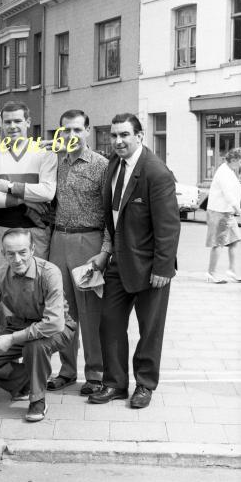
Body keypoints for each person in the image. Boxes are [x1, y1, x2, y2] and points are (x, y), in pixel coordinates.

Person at [88, 113, 180, 410]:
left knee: (149, 330)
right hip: (118, 261)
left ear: (140, 136)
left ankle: (144, 384)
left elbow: (169, 227)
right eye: (114, 135)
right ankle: (115, 383)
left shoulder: (156, 172)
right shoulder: (113, 165)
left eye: (125, 135)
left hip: (151, 268)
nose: (118, 141)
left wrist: (163, 268)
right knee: (109, 324)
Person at [0, 228, 74, 422]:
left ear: (33, 250)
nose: (17, 259)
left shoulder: (50, 273)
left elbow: (54, 322)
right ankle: (27, 382)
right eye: (10, 254)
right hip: (17, 326)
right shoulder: (0, 275)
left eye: (22, 252)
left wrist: (11, 338)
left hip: (56, 329)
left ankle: (38, 399)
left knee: (34, 346)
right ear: (3, 254)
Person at [47, 109, 111, 395]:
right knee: (63, 310)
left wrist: (105, 251)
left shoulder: (101, 166)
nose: (71, 135)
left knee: (91, 312)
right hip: (59, 240)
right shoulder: (57, 164)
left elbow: (112, 214)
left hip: (89, 242)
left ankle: (95, 373)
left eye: (76, 130)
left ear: (87, 131)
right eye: (66, 130)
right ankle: (67, 370)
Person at [0, 101, 57, 272]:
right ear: (2, 124)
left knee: (36, 289)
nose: (12, 126)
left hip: (36, 232)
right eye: (7, 122)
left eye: (18, 121)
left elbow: (47, 192)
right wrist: (24, 200)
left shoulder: (45, 153)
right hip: (2, 228)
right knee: (3, 288)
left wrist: (8, 187)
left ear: (28, 122)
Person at [205, 147, 241, 283]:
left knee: (234, 240)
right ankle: (211, 274)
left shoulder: (229, 171)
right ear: (234, 160)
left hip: (227, 212)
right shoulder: (223, 172)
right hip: (219, 212)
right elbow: (228, 195)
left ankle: (232, 271)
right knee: (218, 243)